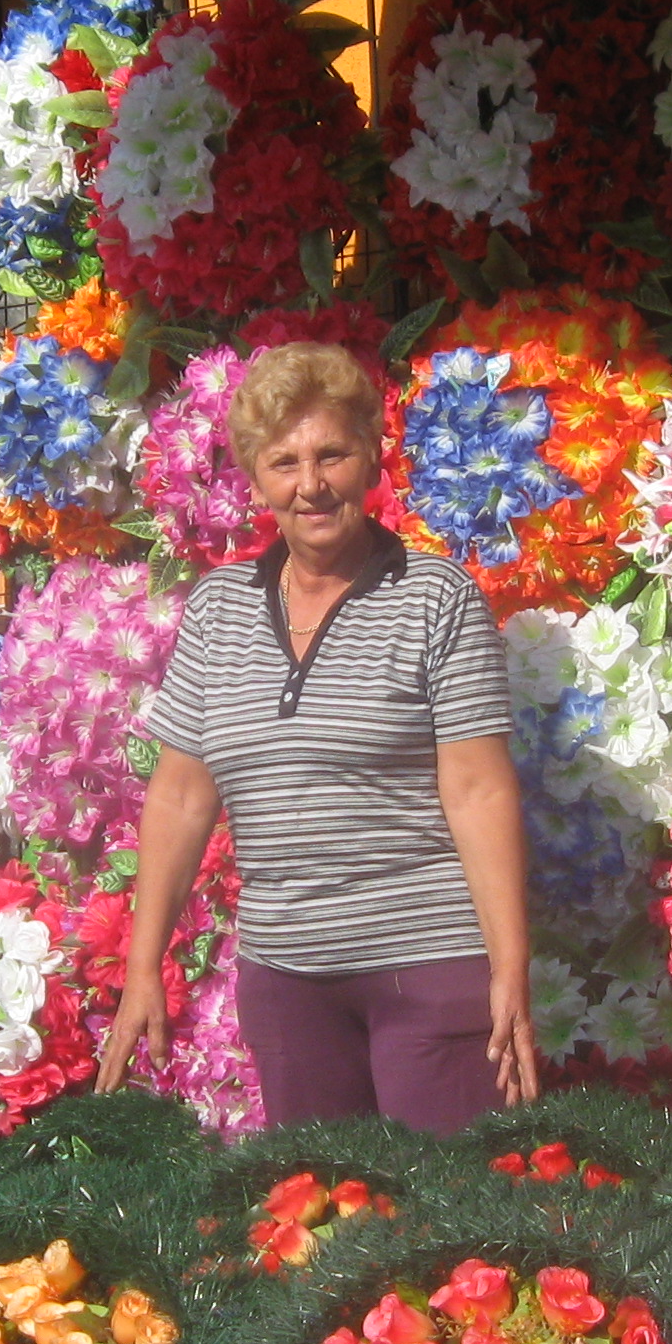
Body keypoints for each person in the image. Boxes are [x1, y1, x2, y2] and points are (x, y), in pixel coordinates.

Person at [95, 340, 537, 1132]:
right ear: (256, 479)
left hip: (428, 966)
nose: (311, 485)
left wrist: (509, 967)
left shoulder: (437, 599)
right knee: (321, 1200)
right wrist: (142, 967)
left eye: (332, 454)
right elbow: (182, 797)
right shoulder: (217, 611)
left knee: (453, 1201)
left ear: (370, 457)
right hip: (287, 985)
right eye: (284, 463)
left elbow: (479, 791)